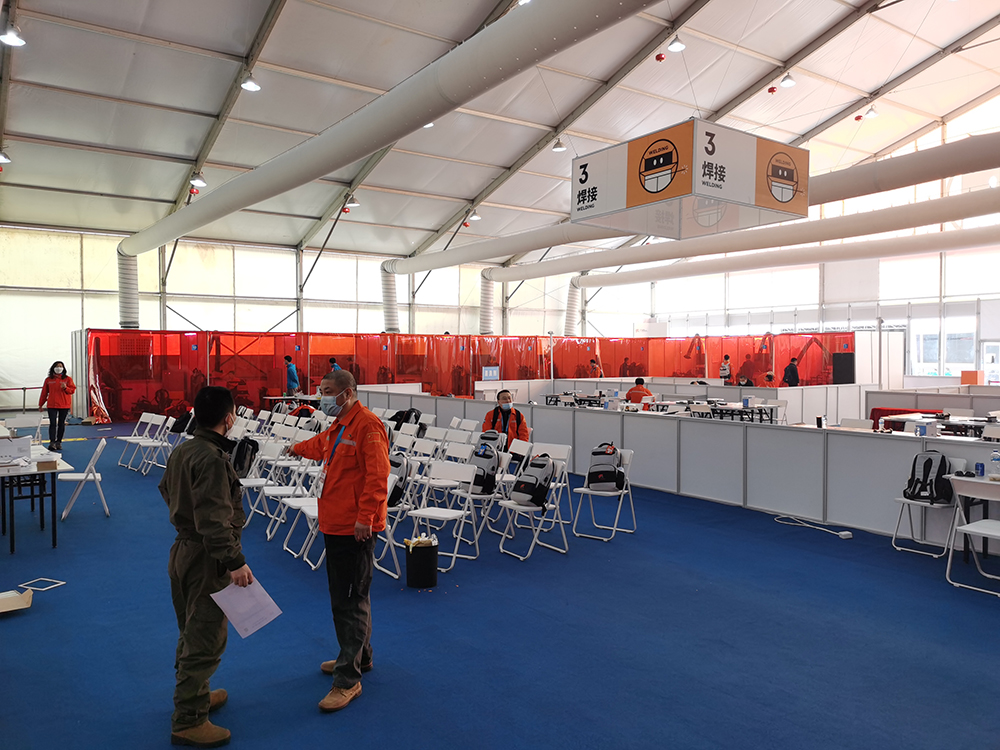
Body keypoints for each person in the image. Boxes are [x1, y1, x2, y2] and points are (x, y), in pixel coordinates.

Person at [288, 370, 389, 714]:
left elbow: (378, 476)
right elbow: (320, 446)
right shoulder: (340, 425)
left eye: (328, 391)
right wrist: (295, 448)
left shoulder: (367, 426)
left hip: (353, 527)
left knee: (348, 600)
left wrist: (365, 517)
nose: (322, 397)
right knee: (353, 595)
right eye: (321, 391)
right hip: (336, 521)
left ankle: (348, 679)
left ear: (348, 393)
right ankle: (359, 656)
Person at [159, 386, 252, 748]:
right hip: (206, 558)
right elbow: (214, 521)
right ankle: (189, 719)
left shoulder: (184, 449)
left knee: (190, 627)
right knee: (205, 637)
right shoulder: (212, 459)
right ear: (229, 418)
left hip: (183, 550)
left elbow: (166, 489)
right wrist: (234, 561)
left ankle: (196, 694)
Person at [38, 360, 76, 451]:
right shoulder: (48, 380)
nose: (59, 368)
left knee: (61, 424)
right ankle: (52, 442)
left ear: (63, 368)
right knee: (52, 424)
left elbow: (72, 390)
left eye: (61, 366)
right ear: (53, 368)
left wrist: (65, 388)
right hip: (52, 405)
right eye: (57, 366)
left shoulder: (68, 379)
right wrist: (41, 404)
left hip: (64, 404)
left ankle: (59, 442)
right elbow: (44, 393)